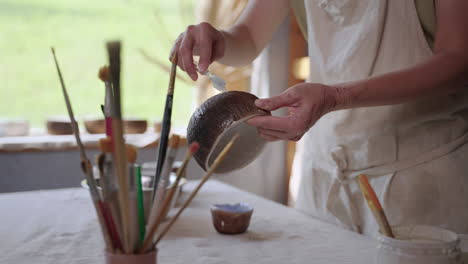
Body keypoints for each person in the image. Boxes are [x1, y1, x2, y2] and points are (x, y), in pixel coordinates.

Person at [170, 0, 468, 236]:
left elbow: (458, 59)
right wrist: (219, 41)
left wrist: (337, 97)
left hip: (418, 183)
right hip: (322, 175)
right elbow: (248, 36)